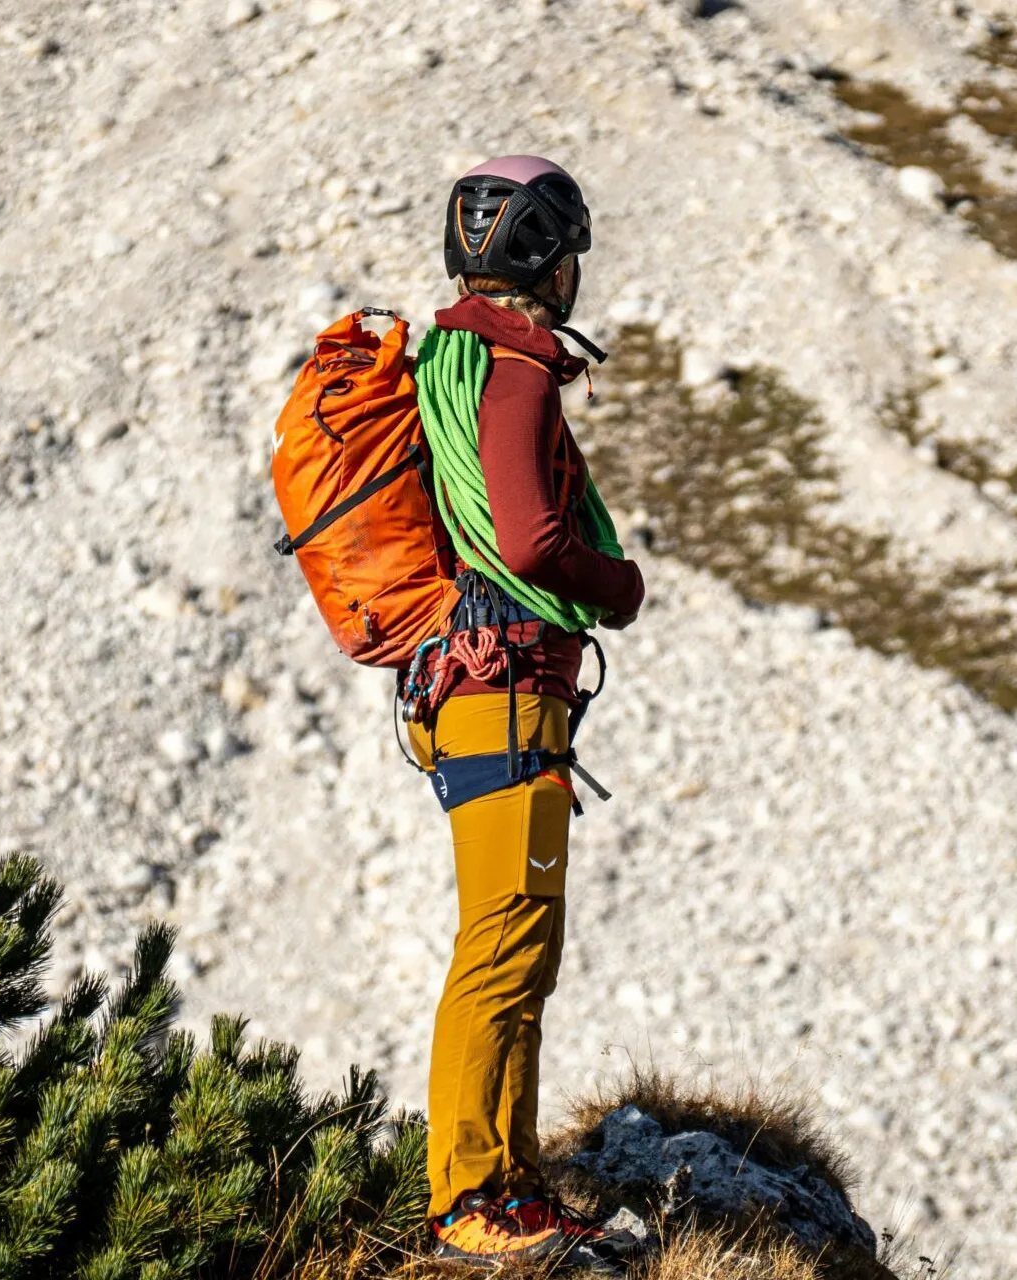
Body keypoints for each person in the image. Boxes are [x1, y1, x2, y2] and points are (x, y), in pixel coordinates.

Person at [404, 156, 647, 1270]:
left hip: (479, 685)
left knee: (520, 945)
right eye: (569, 257)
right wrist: (618, 584)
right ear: (545, 262)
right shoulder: (512, 372)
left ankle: (511, 1185)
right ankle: (467, 1198)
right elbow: (531, 540)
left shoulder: (451, 357)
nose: (574, 275)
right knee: (502, 945)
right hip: (502, 686)